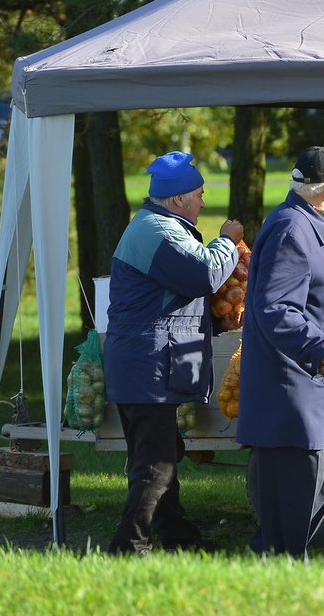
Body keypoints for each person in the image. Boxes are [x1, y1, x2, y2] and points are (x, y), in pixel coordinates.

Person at [103, 151, 244, 555]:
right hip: (148, 366)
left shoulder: (158, 226)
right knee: (156, 464)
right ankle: (128, 546)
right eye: (199, 194)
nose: (203, 201)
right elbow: (202, 274)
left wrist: (217, 323)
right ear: (179, 199)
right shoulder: (158, 232)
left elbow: (166, 301)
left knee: (160, 456)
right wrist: (228, 240)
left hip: (142, 362)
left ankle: (178, 536)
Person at [237, 146, 324, 559]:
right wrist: (320, 342)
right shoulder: (293, 229)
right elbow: (274, 307)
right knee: (300, 488)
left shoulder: (308, 223)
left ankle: (286, 564)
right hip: (292, 390)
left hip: (315, 389)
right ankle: (279, 569)